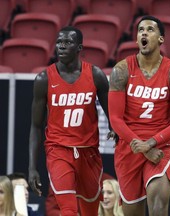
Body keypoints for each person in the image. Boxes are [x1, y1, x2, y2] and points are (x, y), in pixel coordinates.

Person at [108, 15, 170, 216]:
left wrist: (152, 143)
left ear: (161, 39)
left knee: (158, 205)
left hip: (161, 147)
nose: (144, 33)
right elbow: (115, 119)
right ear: (137, 39)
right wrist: (143, 148)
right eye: (140, 30)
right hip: (130, 148)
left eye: (150, 30)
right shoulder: (121, 70)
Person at [28, 26, 115, 216]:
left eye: (67, 42)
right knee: (67, 209)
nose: (61, 46)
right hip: (58, 150)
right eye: (59, 42)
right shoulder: (44, 79)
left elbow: (113, 116)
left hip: (89, 152)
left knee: (90, 209)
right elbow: (35, 126)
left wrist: (113, 128)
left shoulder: (96, 75)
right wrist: (32, 167)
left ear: (79, 47)